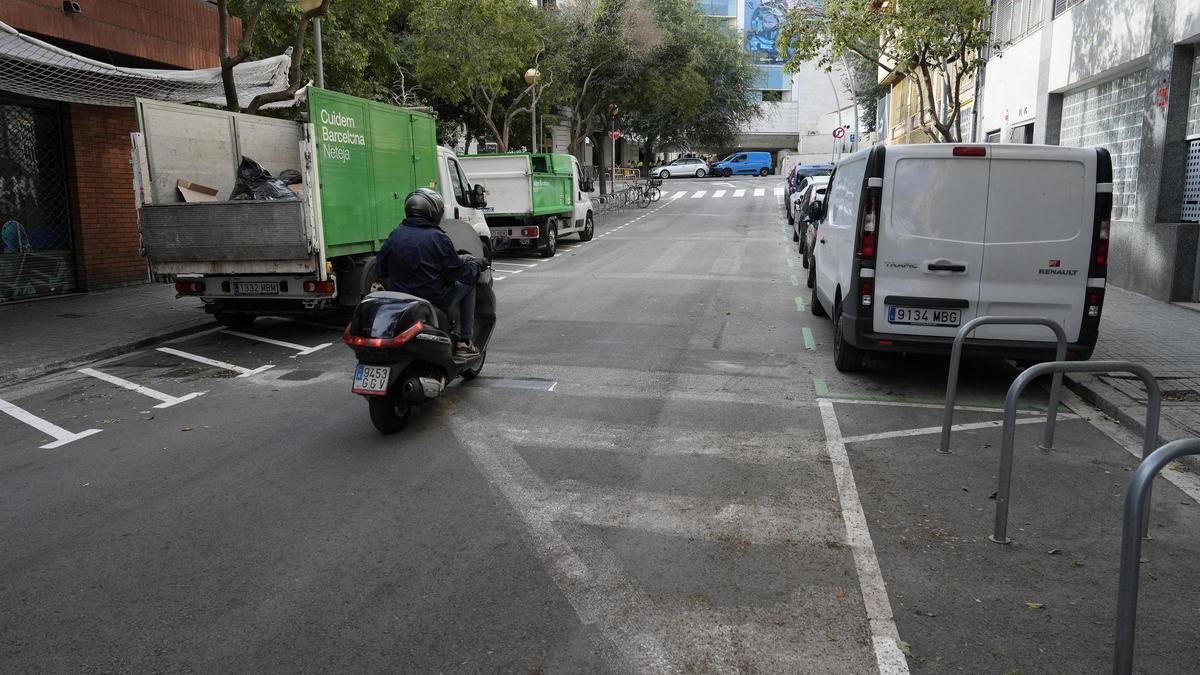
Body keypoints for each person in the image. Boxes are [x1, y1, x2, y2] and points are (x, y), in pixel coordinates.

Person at [375, 188, 487, 357]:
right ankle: (464, 341)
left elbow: (380, 270)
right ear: (433, 211)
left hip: (400, 299)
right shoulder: (438, 237)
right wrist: (476, 266)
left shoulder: (395, 235)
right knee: (469, 282)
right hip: (434, 298)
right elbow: (457, 272)